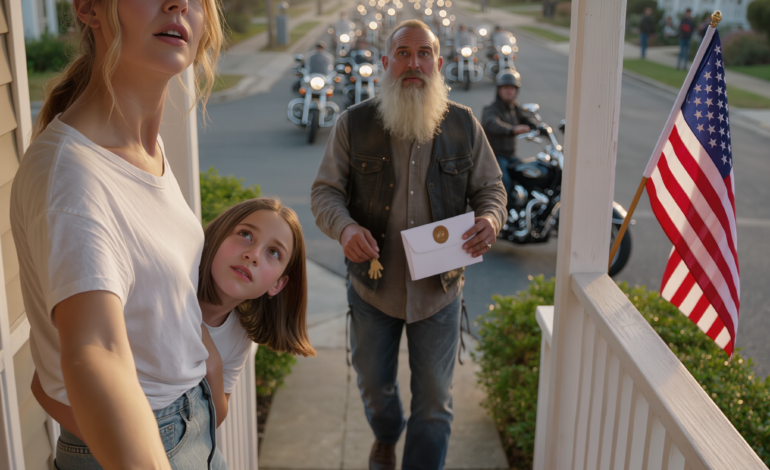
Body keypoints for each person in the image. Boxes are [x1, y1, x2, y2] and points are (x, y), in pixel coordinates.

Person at [10, 0, 227, 467]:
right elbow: (96, 353)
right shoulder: (72, 177)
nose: (179, 4)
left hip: (189, 425)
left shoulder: (142, 149)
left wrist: (207, 365)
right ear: (88, 9)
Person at [311, 19, 506, 470]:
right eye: (403, 53)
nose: (413, 63)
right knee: (375, 387)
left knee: (435, 402)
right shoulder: (353, 124)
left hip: (439, 292)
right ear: (385, 63)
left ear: (439, 64)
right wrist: (344, 228)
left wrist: (490, 220)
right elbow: (325, 193)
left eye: (423, 54)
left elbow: (491, 189)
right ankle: (385, 434)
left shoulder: (464, 124)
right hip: (372, 289)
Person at [29, 198, 316, 443]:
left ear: (277, 284)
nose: (252, 254)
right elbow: (41, 386)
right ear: (217, 237)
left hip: (181, 443)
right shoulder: (156, 295)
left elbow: (217, 414)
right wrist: (121, 448)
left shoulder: (239, 334)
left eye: (273, 252)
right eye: (245, 234)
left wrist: (212, 365)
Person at [481, 70, 538, 197]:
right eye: (505, 87)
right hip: (495, 156)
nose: (509, 91)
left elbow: (527, 120)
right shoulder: (491, 108)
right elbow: (491, 124)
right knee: (503, 182)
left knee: (529, 173)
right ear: (499, 89)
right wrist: (512, 129)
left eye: (512, 88)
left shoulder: (515, 107)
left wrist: (539, 127)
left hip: (510, 156)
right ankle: (502, 214)